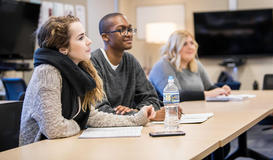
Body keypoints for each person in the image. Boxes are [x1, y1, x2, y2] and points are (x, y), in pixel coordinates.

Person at [19, 15, 155, 146]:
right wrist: (78, 124)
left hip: (63, 145)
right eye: (81, 38)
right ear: (63, 49)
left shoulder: (80, 70)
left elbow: (91, 117)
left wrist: (136, 119)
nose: (89, 41)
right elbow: (55, 129)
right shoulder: (47, 72)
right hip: (39, 150)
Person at [91, 13, 172, 120]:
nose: (129, 34)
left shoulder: (131, 61)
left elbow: (152, 99)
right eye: (121, 30)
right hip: (101, 132)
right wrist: (142, 115)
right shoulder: (92, 63)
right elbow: (99, 110)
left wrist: (138, 112)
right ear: (105, 37)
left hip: (131, 128)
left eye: (130, 29)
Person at [149, 30, 231, 101]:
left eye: (192, 43)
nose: (190, 47)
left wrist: (220, 90)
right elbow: (173, 96)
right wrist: (207, 94)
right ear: (174, 48)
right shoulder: (162, 65)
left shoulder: (196, 64)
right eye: (184, 44)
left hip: (196, 110)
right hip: (170, 114)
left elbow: (209, 87)